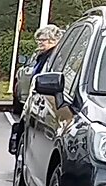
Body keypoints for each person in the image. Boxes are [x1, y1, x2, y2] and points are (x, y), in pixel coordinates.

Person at [9, 25, 64, 155]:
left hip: (47, 103)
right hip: (35, 100)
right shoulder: (42, 57)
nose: (40, 42)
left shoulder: (56, 59)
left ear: (54, 40)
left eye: (43, 40)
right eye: (38, 40)